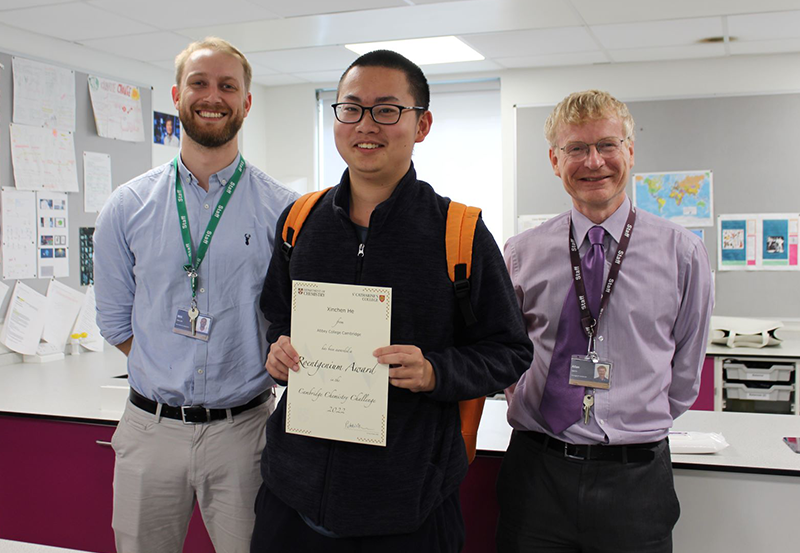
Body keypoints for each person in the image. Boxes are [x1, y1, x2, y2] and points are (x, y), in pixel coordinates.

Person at [250, 50, 532, 552]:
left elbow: (509, 351)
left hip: (407, 511)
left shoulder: (458, 231)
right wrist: (277, 351)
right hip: (291, 500)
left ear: (421, 125)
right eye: (351, 108)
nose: (366, 124)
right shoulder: (300, 223)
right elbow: (276, 315)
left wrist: (435, 372)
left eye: (387, 110)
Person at [94, 37, 299, 553]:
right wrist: (167, 371)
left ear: (247, 102)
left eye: (228, 85)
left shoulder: (286, 211)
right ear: (177, 95)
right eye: (200, 83)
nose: (213, 96)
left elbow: (297, 318)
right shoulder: (128, 206)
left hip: (245, 433)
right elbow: (116, 321)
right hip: (150, 429)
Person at [497, 90, 713, 553]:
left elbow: (686, 370)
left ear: (630, 152)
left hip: (635, 480)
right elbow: (509, 354)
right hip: (538, 472)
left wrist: (635, 418)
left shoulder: (682, 252)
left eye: (607, 145)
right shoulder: (521, 253)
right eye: (576, 148)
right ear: (555, 161)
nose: (593, 162)